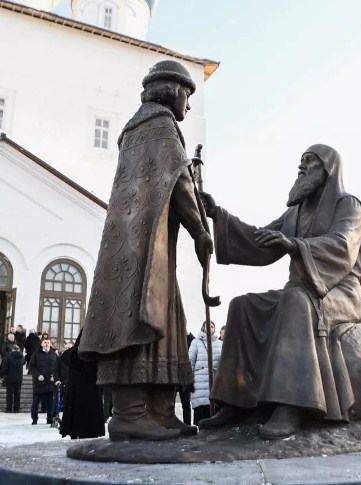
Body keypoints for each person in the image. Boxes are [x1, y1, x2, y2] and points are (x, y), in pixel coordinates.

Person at [199, 144, 361, 439]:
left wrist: (296, 246)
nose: (301, 167)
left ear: (328, 169)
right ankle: (235, 401)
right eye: (300, 161)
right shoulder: (295, 212)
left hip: (340, 293)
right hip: (301, 291)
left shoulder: (347, 204)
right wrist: (218, 215)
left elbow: (343, 245)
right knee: (243, 305)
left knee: (294, 300)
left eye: (309, 161)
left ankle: (291, 406)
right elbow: (261, 239)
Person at [78, 60, 213, 441]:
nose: (188, 105)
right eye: (187, 94)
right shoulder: (160, 124)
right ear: (171, 90)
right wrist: (200, 230)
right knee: (143, 315)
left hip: (134, 244)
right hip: (145, 250)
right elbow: (180, 183)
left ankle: (158, 410)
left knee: (161, 317)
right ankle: (131, 413)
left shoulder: (134, 128)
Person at [59, 330, 105, 439]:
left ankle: (89, 431)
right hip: (78, 389)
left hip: (91, 388)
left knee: (90, 413)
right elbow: (68, 357)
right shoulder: (73, 353)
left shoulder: (95, 353)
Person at [189, 322, 223, 425]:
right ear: (203, 327)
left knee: (214, 406)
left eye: (212, 326)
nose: (210, 328)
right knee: (201, 406)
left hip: (215, 380)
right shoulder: (196, 342)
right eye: (207, 326)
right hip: (200, 380)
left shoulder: (219, 343)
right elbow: (190, 361)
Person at [29, 339, 60, 425]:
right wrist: (38, 375)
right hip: (39, 384)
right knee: (35, 403)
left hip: (50, 384)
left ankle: (49, 419)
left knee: (50, 404)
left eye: (48, 343)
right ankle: (34, 419)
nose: (46, 344)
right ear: (42, 344)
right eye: (45, 342)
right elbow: (31, 366)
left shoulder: (54, 355)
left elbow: (57, 368)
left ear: (50, 345)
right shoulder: (36, 354)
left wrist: (54, 376)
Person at [177, 331, 195, 425]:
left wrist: (188, 333)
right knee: (170, 404)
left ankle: (187, 424)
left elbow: (194, 341)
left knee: (186, 404)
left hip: (184, 376)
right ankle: (172, 423)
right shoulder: (173, 338)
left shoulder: (188, 339)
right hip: (174, 375)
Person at [0, 344, 24, 413]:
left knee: (9, 394)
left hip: (10, 378)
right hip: (19, 378)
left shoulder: (8, 357)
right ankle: (16, 409)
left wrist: (2, 375)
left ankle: (9, 409)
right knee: (17, 394)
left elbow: (5, 368)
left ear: (12, 350)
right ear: (18, 350)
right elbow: (24, 363)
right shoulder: (22, 357)